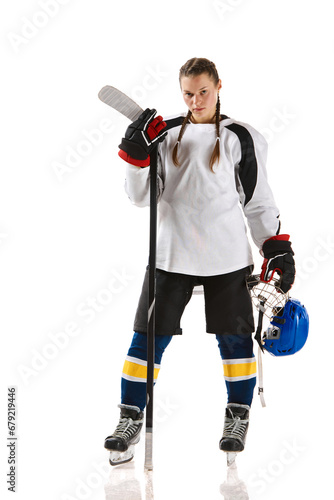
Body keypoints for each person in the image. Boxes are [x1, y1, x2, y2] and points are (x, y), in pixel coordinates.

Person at [104, 57, 295, 465]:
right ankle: (130, 416)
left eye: (203, 91)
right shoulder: (165, 133)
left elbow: (258, 201)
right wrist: (137, 158)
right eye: (188, 94)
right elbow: (141, 197)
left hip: (227, 259)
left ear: (219, 86)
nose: (196, 100)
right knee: (147, 340)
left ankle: (237, 415)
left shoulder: (242, 137)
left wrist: (276, 247)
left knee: (235, 340)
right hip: (171, 256)